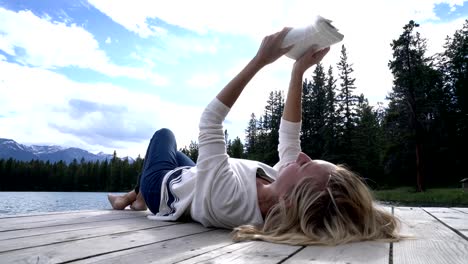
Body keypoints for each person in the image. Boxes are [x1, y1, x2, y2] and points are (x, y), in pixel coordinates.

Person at [108, 28, 401, 245]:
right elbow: (289, 138)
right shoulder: (281, 193)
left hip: (164, 189)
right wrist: (298, 71)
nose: (300, 157)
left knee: (164, 135)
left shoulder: (229, 200)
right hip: (194, 178)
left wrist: (260, 60)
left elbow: (210, 121)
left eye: (304, 165)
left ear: (291, 200)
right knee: (187, 164)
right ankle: (133, 198)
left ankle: (139, 195)